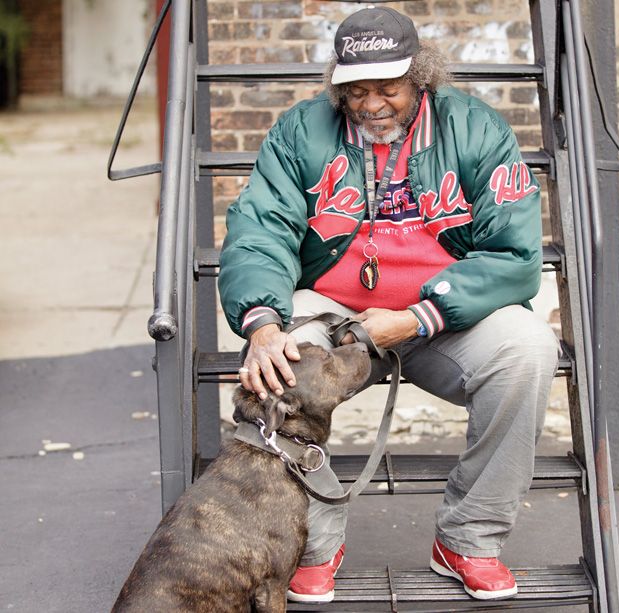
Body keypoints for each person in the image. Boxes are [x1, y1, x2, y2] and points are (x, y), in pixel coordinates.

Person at [218, 6, 560, 603]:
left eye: (388, 88)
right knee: (276, 370)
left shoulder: (477, 130)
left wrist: (419, 316)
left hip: (444, 317)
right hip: (333, 307)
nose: (372, 102)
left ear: (420, 77)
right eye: (355, 88)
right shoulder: (302, 130)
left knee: (529, 350)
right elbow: (260, 229)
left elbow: (515, 256)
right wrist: (265, 323)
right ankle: (316, 542)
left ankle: (469, 538)